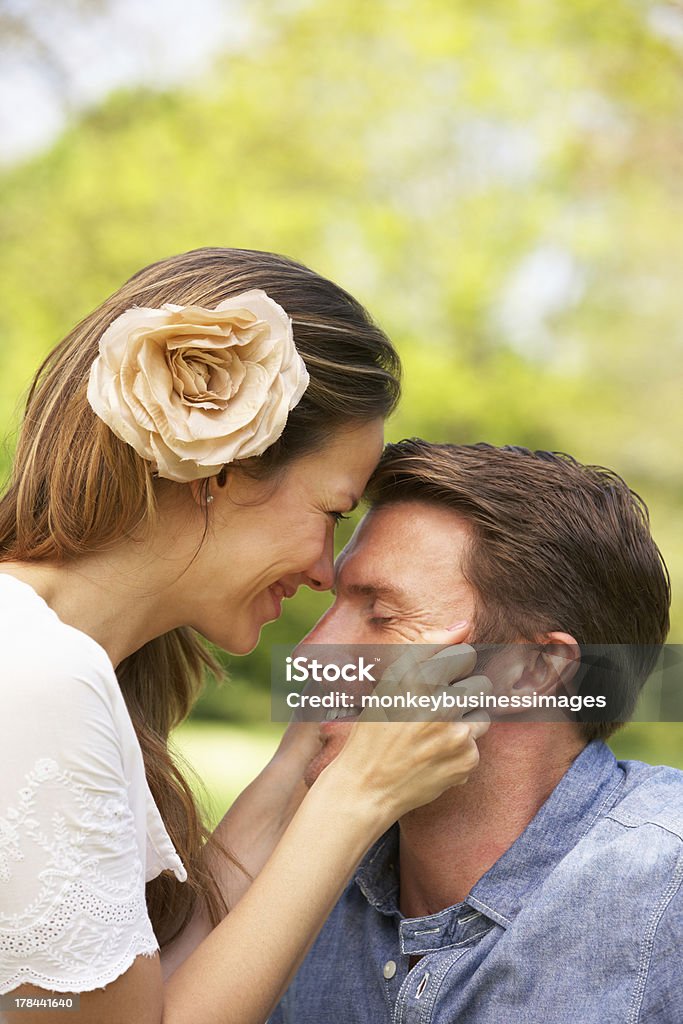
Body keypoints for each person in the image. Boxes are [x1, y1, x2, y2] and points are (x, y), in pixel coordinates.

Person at [0, 251, 489, 1024]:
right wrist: (357, 798)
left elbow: (150, 996)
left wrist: (308, 760)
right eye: (332, 513)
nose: (328, 573)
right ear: (219, 469)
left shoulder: (52, 657)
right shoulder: (36, 678)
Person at [270, 439, 680, 1024]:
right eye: (333, 606)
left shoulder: (668, 888)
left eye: (382, 616)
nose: (309, 656)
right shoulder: (297, 883)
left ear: (534, 670)